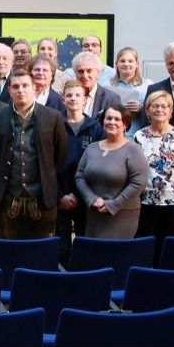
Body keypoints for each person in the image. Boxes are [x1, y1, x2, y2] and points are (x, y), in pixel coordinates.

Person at [0, 69, 67, 239]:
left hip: (43, 198)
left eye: (25, 85)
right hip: (8, 198)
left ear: (34, 88)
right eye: (15, 86)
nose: (20, 90)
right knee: (8, 252)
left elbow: (60, 157)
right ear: (9, 90)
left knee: (42, 253)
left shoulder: (53, 117)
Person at [134, 90, 174, 257]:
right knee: (149, 253)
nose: (159, 109)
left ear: (171, 111)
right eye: (154, 106)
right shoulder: (139, 136)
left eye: (164, 106)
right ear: (147, 111)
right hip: (146, 206)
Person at [75, 105, 148, 239]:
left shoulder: (133, 149)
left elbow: (139, 183)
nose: (112, 122)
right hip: (94, 214)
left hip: (122, 214)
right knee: (94, 256)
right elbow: (79, 177)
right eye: (108, 118)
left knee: (115, 256)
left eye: (117, 119)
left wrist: (113, 205)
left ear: (125, 124)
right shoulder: (92, 148)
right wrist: (91, 198)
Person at [56, 80, 104, 263]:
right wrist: (60, 195)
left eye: (78, 95)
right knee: (61, 246)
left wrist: (79, 194)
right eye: (69, 95)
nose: (73, 99)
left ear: (85, 99)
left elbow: (98, 163)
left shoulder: (96, 128)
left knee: (84, 243)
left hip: (85, 196)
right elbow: (48, 163)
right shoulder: (54, 123)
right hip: (60, 197)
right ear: (63, 99)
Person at [109, 47, 153, 136]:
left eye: (130, 61)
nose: (126, 64)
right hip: (114, 136)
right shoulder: (107, 85)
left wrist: (142, 108)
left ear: (137, 64)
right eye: (122, 61)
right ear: (116, 64)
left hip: (139, 136)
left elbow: (156, 110)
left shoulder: (148, 85)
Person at [72, 51, 120, 120]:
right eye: (80, 71)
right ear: (75, 74)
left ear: (98, 73)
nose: (85, 76)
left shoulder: (111, 99)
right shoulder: (68, 97)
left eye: (89, 71)